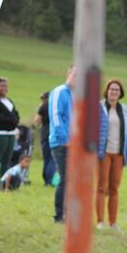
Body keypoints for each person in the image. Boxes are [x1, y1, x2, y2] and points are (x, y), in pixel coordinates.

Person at [96, 79, 127, 231]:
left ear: (120, 93)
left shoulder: (126, 110)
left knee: (114, 189)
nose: (114, 92)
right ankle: (100, 221)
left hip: (119, 154)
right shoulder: (98, 107)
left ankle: (113, 222)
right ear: (107, 91)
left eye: (117, 90)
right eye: (111, 89)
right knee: (101, 187)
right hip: (103, 153)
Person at [48, 66, 76, 223]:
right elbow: (55, 115)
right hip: (61, 143)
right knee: (66, 178)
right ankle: (59, 216)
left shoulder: (74, 95)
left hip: (74, 144)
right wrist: (64, 138)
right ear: (68, 74)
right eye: (75, 74)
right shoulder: (60, 91)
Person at [0, 77, 20, 188]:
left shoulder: (9, 101)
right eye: (1, 86)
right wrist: (12, 120)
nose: (4, 88)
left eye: (6, 86)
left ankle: (3, 183)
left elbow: (16, 115)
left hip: (10, 134)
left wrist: (14, 120)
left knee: (6, 161)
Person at [33, 91, 56, 186]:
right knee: (53, 159)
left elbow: (36, 121)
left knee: (46, 159)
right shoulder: (56, 105)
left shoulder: (43, 106)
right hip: (55, 134)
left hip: (45, 134)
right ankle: (49, 180)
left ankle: (46, 180)